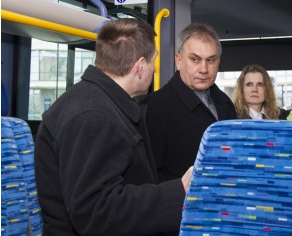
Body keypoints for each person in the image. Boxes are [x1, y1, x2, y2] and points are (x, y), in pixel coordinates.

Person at [34, 18, 193, 236]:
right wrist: (179, 191)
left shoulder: (98, 103)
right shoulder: (92, 116)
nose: (155, 69)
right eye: (153, 61)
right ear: (139, 67)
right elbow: (96, 213)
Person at [142, 23, 237, 182]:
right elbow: (147, 182)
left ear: (218, 62)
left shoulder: (225, 103)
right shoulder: (152, 109)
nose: (204, 69)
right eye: (195, 59)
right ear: (178, 61)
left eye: (211, 60)